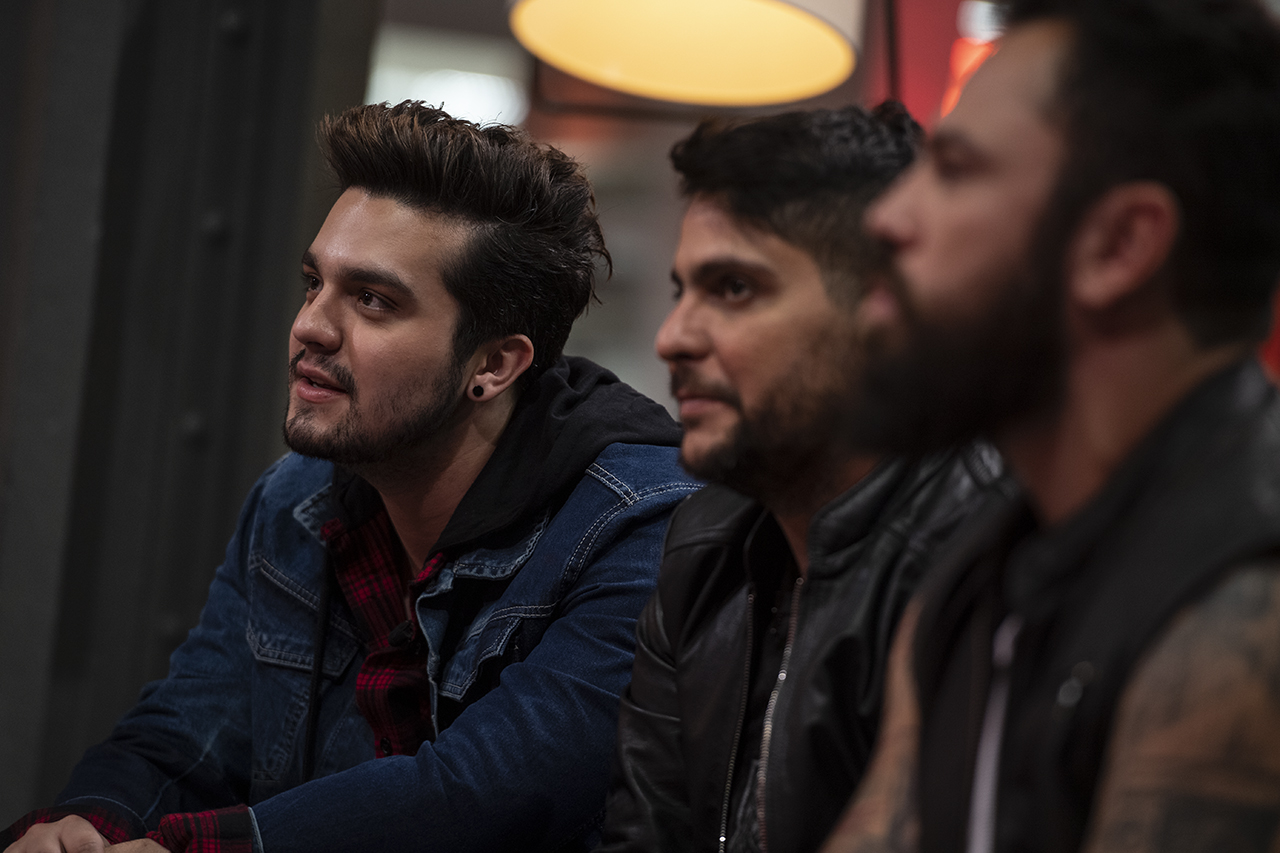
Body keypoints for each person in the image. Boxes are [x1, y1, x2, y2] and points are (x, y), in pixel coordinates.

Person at [2, 102, 699, 853]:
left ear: (495, 363)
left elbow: (485, 793)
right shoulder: (297, 498)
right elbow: (181, 740)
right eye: (314, 282)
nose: (311, 325)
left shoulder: (645, 524)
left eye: (372, 300)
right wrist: (84, 826)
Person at [819, 1, 1280, 851]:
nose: (886, 218)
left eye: (954, 170)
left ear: (1119, 246)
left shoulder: (1245, 606)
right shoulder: (975, 582)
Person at [596, 105, 1008, 853]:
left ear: (883, 310)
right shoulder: (702, 548)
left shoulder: (982, 556)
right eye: (682, 291)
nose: (673, 337)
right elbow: (643, 836)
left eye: (733, 289)